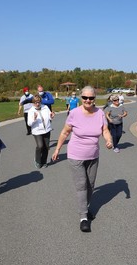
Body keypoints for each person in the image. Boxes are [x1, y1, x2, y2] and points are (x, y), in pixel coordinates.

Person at [51, 86, 113, 233]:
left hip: (93, 155)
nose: (88, 100)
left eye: (91, 98)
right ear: (81, 98)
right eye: (85, 97)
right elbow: (65, 132)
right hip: (75, 155)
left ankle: (85, 207)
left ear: (94, 99)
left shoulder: (100, 114)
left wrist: (109, 140)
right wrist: (57, 149)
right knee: (81, 185)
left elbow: (105, 130)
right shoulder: (74, 113)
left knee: (91, 184)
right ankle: (83, 217)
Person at [27, 94, 55, 169]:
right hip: (37, 132)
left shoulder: (45, 107)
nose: (37, 104)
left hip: (47, 130)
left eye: (39, 102)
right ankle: (37, 161)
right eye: (35, 102)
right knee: (40, 146)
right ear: (33, 103)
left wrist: (51, 116)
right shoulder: (31, 111)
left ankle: (44, 161)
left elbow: (49, 117)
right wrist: (34, 118)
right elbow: (29, 123)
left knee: (46, 147)